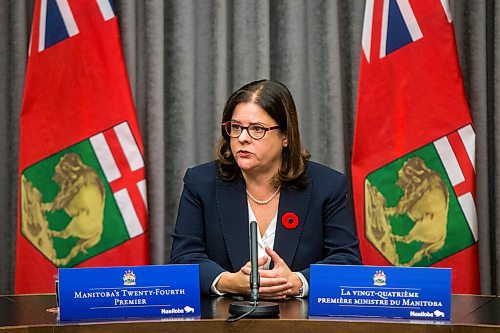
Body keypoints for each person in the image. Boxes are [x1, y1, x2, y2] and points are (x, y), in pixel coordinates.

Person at [169, 79, 361, 299]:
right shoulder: (201, 183)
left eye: (257, 129)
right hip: (225, 322)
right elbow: (184, 258)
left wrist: (297, 282)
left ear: (286, 136)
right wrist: (228, 282)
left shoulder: (327, 186)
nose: (242, 138)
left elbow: (346, 259)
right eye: (235, 127)